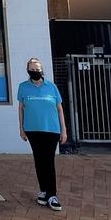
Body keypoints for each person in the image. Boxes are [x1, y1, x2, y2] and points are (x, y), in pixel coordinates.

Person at [18, 57, 67, 211]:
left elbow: (59, 109)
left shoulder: (51, 87)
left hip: (51, 129)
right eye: (32, 69)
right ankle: (44, 191)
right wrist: (21, 128)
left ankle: (53, 195)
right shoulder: (23, 87)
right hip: (32, 129)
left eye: (37, 69)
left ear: (42, 70)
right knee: (39, 160)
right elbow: (21, 108)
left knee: (49, 161)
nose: (35, 71)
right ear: (28, 71)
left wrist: (63, 130)